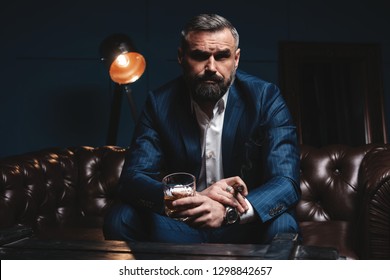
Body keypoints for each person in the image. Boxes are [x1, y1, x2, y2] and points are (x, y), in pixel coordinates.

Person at [103, 13, 301, 244]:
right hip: (182, 225)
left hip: (243, 225)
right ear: (181, 57)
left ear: (236, 59)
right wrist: (194, 197)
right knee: (121, 219)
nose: (211, 67)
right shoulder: (160, 103)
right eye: (199, 56)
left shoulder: (266, 98)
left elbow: (286, 181)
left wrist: (229, 212)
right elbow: (133, 179)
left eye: (222, 56)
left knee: (284, 225)